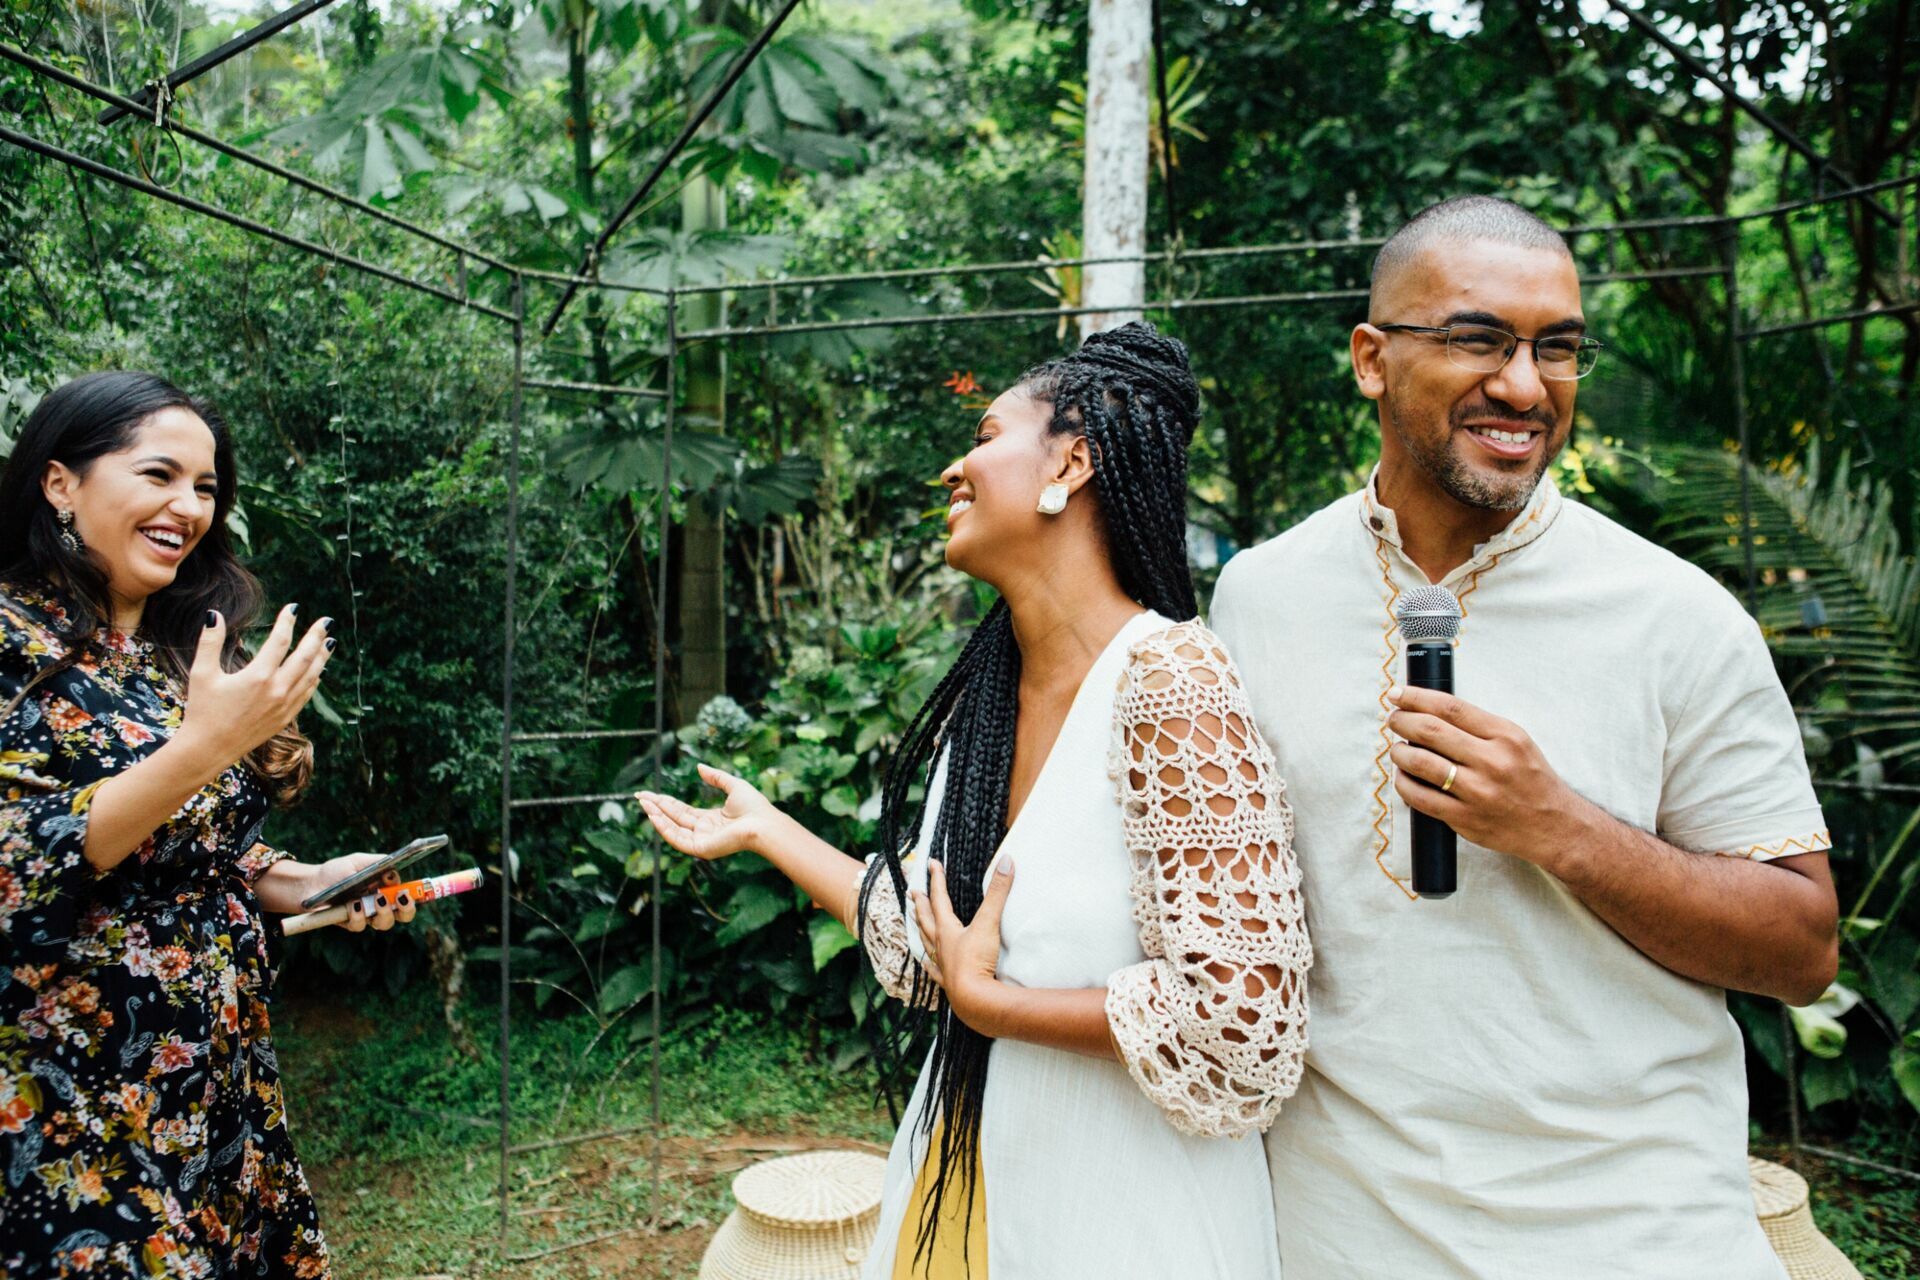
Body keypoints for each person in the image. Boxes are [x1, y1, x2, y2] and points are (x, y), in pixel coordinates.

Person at [1210, 196, 1839, 1279]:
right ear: (1371, 358)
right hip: (1342, 1235)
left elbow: (1799, 946)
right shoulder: (1258, 595)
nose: (1525, 383)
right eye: (1478, 337)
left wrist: (1561, 828)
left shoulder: (1672, 612)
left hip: (1636, 1235)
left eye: (1558, 347)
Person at [637, 322, 1310, 1279]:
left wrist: (995, 1005)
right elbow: (939, 946)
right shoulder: (989, 700)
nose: (956, 466)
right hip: (967, 1195)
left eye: (988, 435)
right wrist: (768, 831)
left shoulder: (1170, 681)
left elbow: (1245, 1023)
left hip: (1125, 1224)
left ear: (1071, 463)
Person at [0, 371, 418, 1278]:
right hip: (72, 1096)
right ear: (60, 481)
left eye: (206, 487)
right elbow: (20, 857)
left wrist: (305, 882)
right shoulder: (8, 640)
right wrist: (208, 743)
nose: (187, 506)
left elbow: (192, 840)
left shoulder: (172, 648)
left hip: (215, 1087)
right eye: (159, 475)